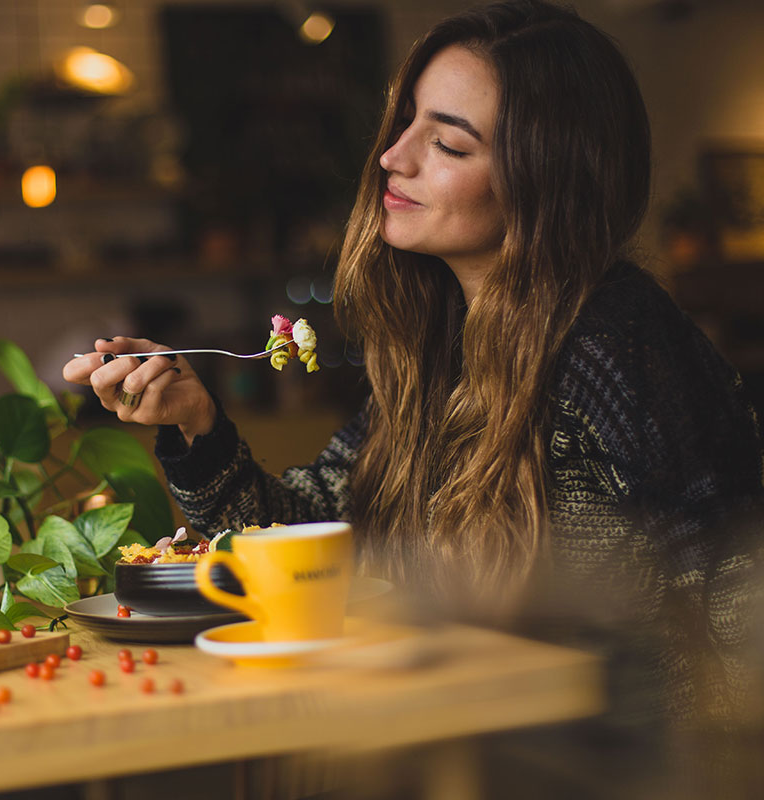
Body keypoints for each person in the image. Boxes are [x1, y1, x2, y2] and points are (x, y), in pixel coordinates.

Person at [64, 0, 763, 727]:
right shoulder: (440, 344)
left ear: (546, 180)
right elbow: (311, 539)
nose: (395, 157)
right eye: (407, 123)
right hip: (470, 744)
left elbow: (736, 594)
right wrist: (197, 425)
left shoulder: (614, 341)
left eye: (451, 146)